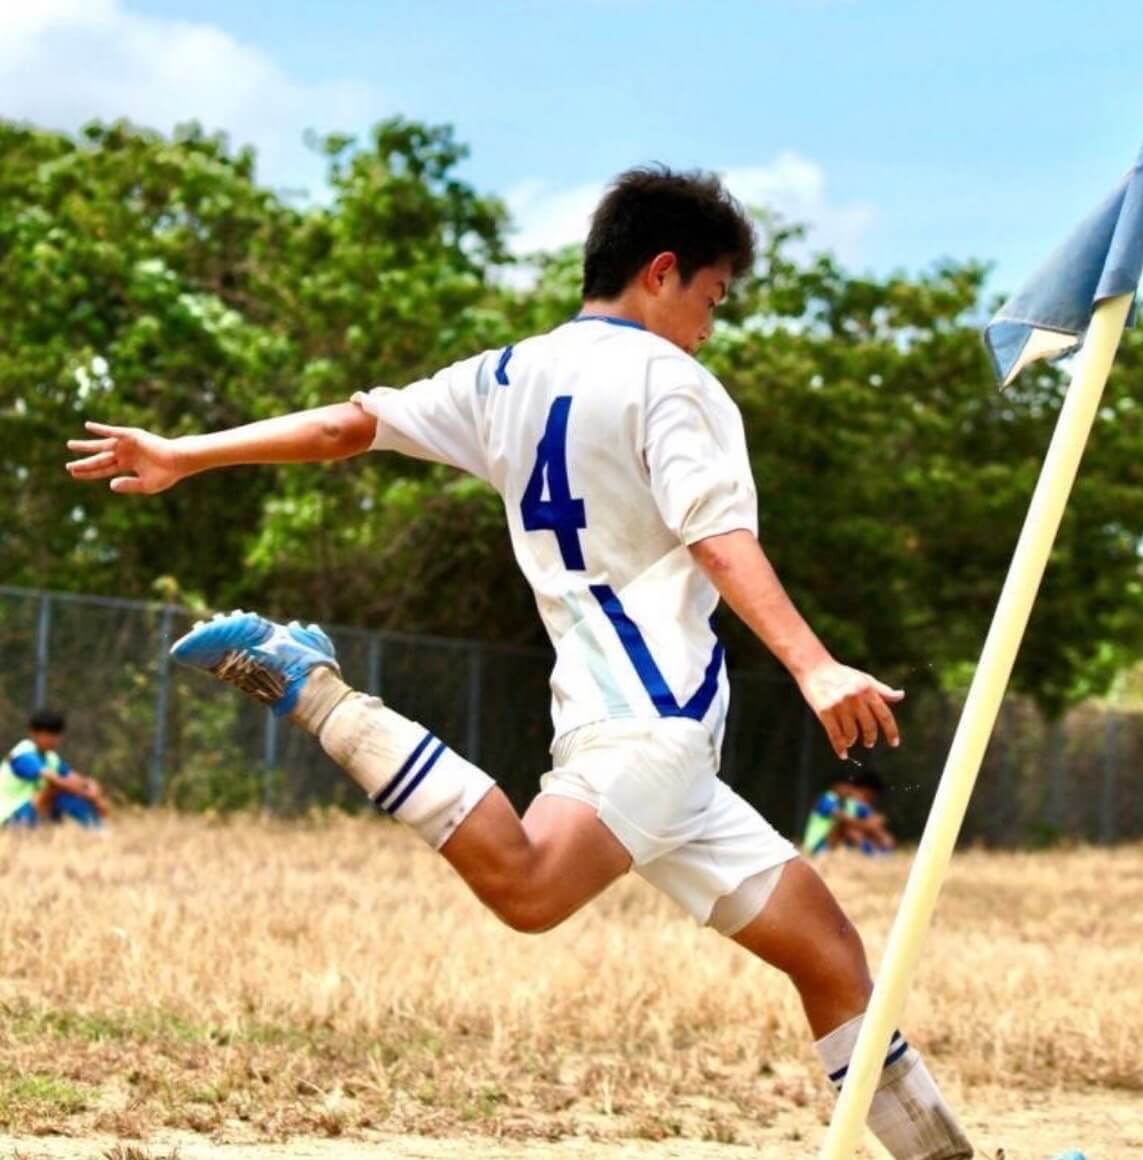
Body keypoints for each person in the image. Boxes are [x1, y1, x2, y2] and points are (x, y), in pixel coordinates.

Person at [66, 166, 971, 1159]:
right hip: (654, 724)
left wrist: (187, 451)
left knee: (832, 957)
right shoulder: (672, 382)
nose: (712, 325)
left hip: (639, 736)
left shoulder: (505, 374)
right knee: (531, 887)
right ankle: (312, 687)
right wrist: (814, 663)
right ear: (662, 272)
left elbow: (348, 428)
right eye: (712, 298)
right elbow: (717, 532)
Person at [0, 708, 110, 828]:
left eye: (56, 734)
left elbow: (77, 779)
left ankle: (97, 830)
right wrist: (89, 795)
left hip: (31, 813)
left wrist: (92, 789)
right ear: (33, 733)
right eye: (48, 734)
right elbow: (57, 781)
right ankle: (96, 830)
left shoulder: (51, 758)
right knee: (56, 790)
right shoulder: (23, 754)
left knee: (69, 792)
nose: (53, 739)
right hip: (9, 817)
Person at [803, 766, 897, 856]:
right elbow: (842, 818)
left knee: (866, 828)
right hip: (816, 848)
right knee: (848, 826)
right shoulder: (826, 799)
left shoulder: (851, 804)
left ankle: (882, 854)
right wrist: (868, 825)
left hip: (835, 847)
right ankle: (870, 854)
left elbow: (873, 820)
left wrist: (882, 834)